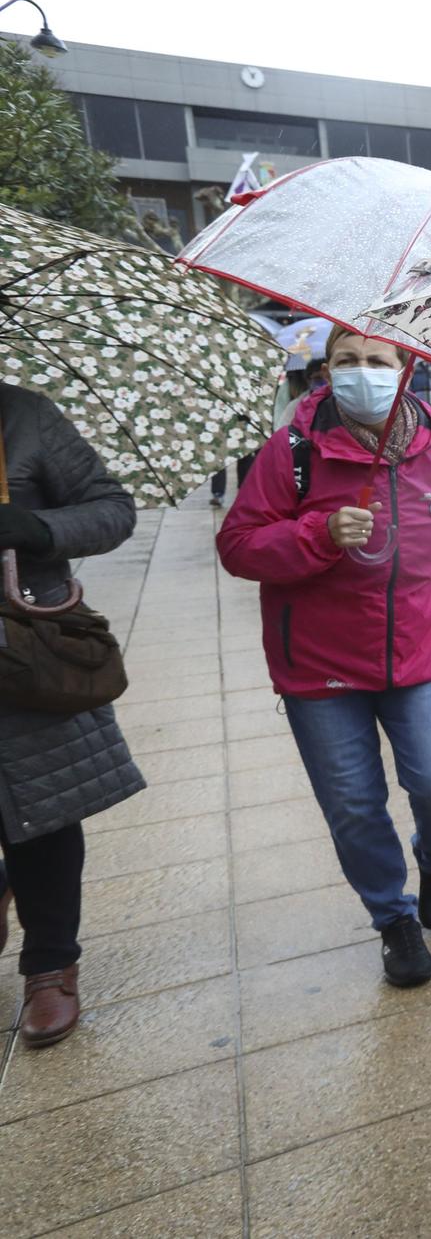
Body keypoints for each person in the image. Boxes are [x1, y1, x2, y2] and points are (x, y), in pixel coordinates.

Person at [218, 330, 431, 988]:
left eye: (376, 361)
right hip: (318, 668)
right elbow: (239, 544)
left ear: (405, 371)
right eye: (347, 362)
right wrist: (319, 531)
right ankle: (392, 917)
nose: (360, 374)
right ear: (326, 368)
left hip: (415, 654)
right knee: (355, 804)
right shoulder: (295, 449)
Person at [0, 385, 146, 1048]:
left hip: (24, 652)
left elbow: (112, 510)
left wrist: (38, 530)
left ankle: (50, 963)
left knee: (42, 809)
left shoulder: (21, 414)